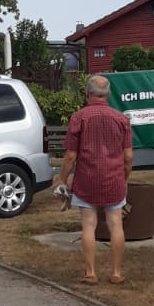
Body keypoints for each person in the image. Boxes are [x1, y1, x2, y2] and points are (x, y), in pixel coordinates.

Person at [54, 73, 134, 285]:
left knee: (88, 225)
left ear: (87, 93)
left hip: (86, 180)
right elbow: (128, 156)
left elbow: (71, 156)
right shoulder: (122, 119)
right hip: (114, 179)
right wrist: (124, 178)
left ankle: (90, 273)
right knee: (115, 224)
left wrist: (62, 180)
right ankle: (116, 273)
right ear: (108, 94)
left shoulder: (78, 117)